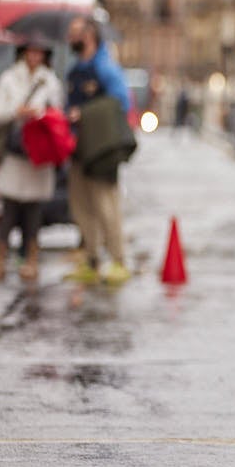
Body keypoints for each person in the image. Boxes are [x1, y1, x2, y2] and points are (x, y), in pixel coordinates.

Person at [0, 35, 64, 282]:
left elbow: (57, 114)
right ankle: (0, 259)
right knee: (8, 210)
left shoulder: (50, 81)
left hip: (37, 153)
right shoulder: (9, 78)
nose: (34, 57)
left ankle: (31, 260)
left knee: (33, 211)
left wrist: (40, 114)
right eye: (30, 51)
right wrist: (17, 111)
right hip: (14, 151)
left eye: (39, 52)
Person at [63, 16, 132, 285]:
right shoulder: (74, 71)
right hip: (78, 147)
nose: (71, 39)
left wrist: (85, 114)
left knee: (106, 205)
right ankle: (91, 258)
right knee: (81, 206)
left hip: (102, 149)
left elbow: (120, 105)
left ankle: (118, 259)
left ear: (89, 35)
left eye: (75, 33)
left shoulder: (106, 68)